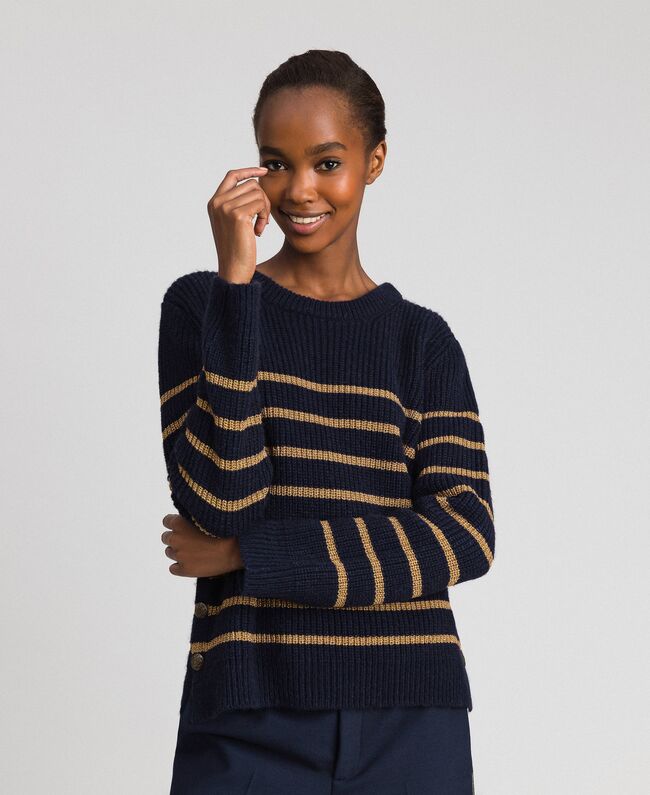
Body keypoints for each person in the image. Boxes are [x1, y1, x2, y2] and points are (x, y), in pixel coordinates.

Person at [157, 48, 494, 794]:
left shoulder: (421, 341)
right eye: (277, 164)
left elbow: (465, 534)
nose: (299, 189)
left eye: (328, 162)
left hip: (412, 716)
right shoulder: (202, 306)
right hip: (251, 708)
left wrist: (250, 554)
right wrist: (236, 283)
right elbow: (221, 500)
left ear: (375, 162)